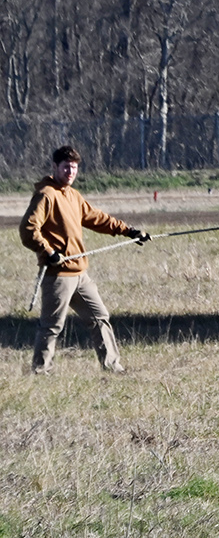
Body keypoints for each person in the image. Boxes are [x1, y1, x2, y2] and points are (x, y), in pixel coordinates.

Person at [19, 144, 147, 374]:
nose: (71, 172)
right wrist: (49, 252)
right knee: (52, 326)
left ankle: (112, 367)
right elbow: (28, 229)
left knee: (100, 317)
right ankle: (40, 371)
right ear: (55, 167)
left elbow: (97, 218)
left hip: (80, 274)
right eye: (66, 167)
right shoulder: (46, 195)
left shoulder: (73, 195)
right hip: (58, 275)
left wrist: (129, 231)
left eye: (74, 168)